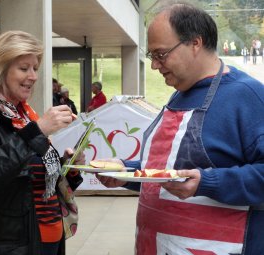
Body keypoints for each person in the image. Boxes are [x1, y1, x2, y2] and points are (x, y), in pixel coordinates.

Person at [97, 3, 264, 254]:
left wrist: (208, 182)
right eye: (152, 56)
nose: (154, 65)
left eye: (160, 54)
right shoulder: (178, 96)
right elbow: (171, 170)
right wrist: (126, 172)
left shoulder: (248, 96)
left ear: (195, 43)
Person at [0, 30, 85, 255]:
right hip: (7, 247)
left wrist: (69, 167)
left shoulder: (25, 117)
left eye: (35, 68)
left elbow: (34, 184)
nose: (33, 76)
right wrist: (37, 131)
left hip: (44, 240)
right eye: (24, 68)